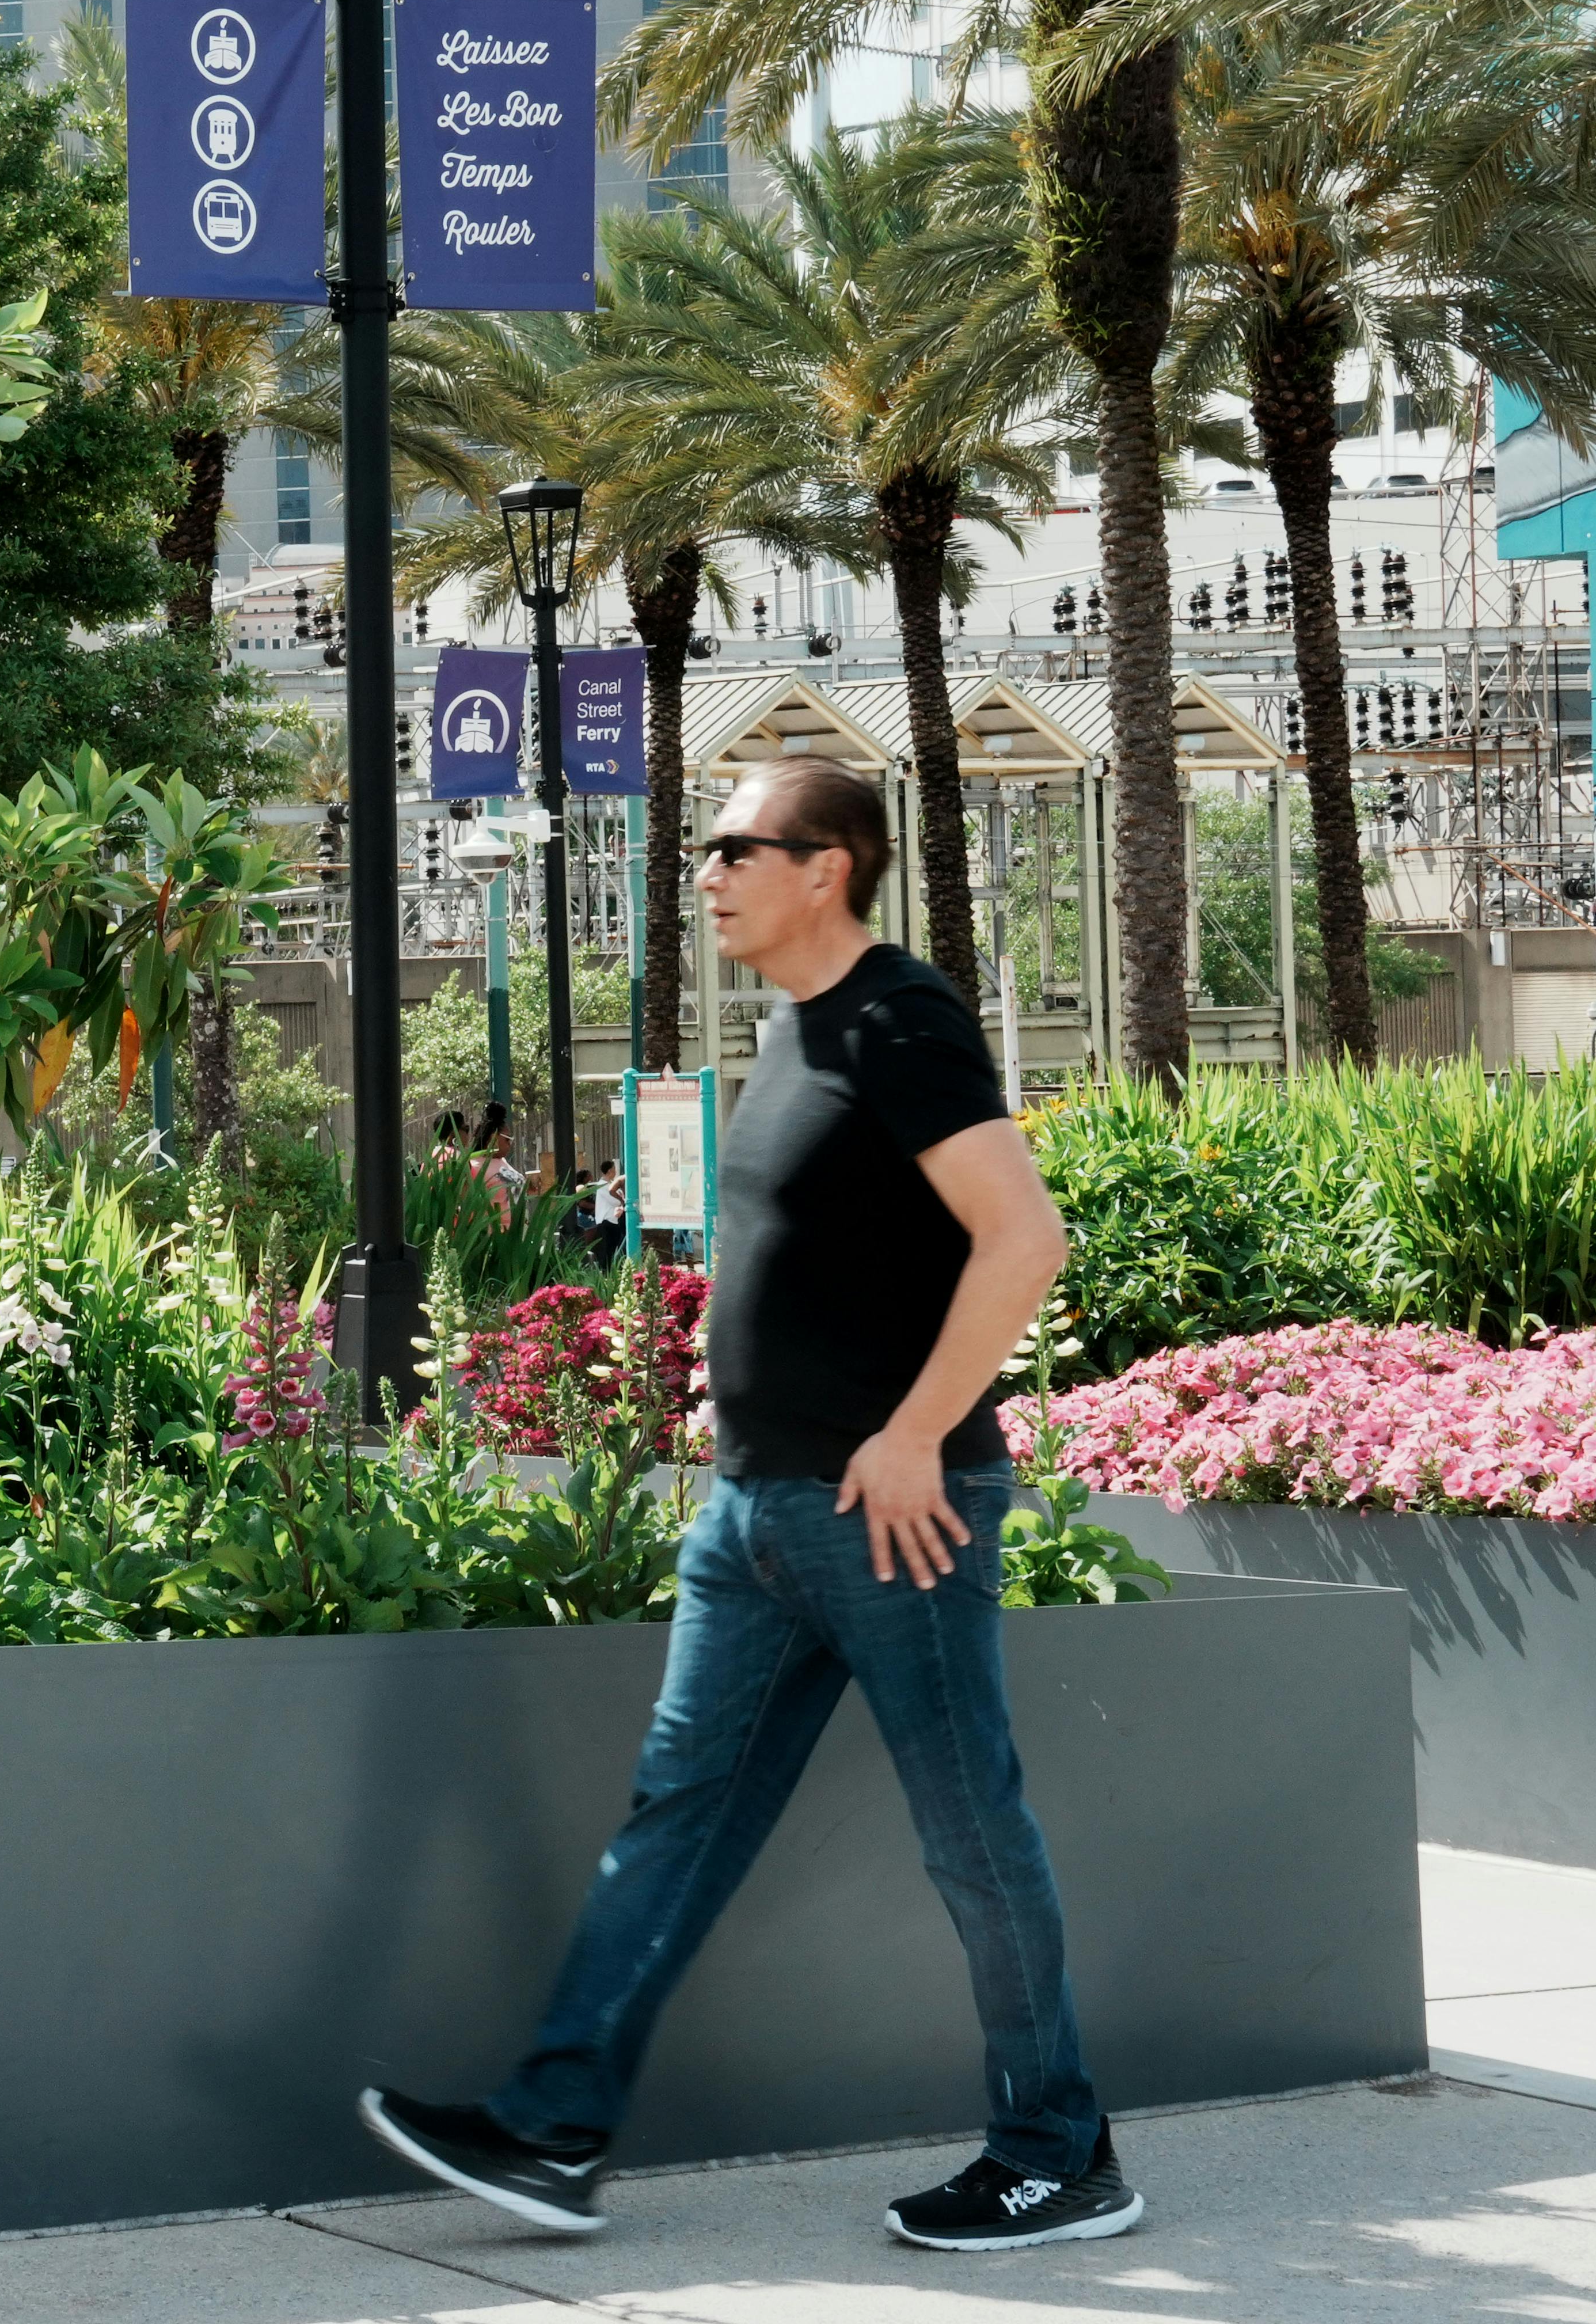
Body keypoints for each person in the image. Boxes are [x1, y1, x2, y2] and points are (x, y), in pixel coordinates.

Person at [359, 760, 1130, 2253]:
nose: (704, 872)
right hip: (760, 1516)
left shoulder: (901, 1022)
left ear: (827, 867)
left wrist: (915, 1435)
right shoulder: (792, 1028)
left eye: (734, 848)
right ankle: (554, 2126)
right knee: (677, 1818)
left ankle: (1060, 2148)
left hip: (891, 1516)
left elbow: (1024, 1239)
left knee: (974, 1834)